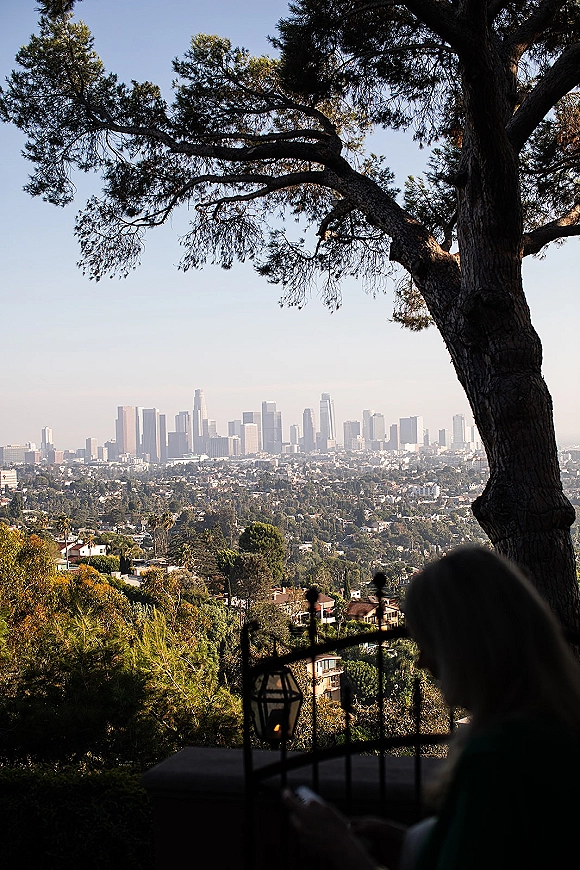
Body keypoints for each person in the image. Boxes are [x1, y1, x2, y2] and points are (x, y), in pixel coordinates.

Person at [284, 545, 580, 869]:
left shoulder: (499, 756)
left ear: (468, 647)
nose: (422, 662)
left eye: (429, 644)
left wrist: (344, 851)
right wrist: (412, 841)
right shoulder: (553, 728)